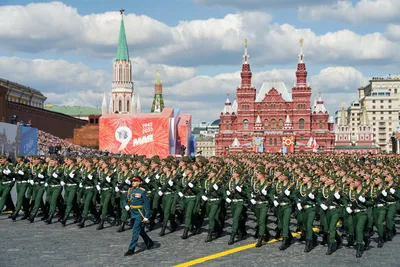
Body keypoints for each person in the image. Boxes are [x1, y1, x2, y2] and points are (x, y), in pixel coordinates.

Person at [123, 176, 154, 256]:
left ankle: (131, 249)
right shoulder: (130, 190)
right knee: (139, 230)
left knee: (135, 231)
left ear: (139, 182)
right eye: (132, 181)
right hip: (132, 212)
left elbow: (147, 205)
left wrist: (146, 216)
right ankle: (149, 242)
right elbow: (124, 199)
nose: (133, 182)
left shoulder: (142, 191)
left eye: (135, 181)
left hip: (139, 213)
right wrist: (125, 205)